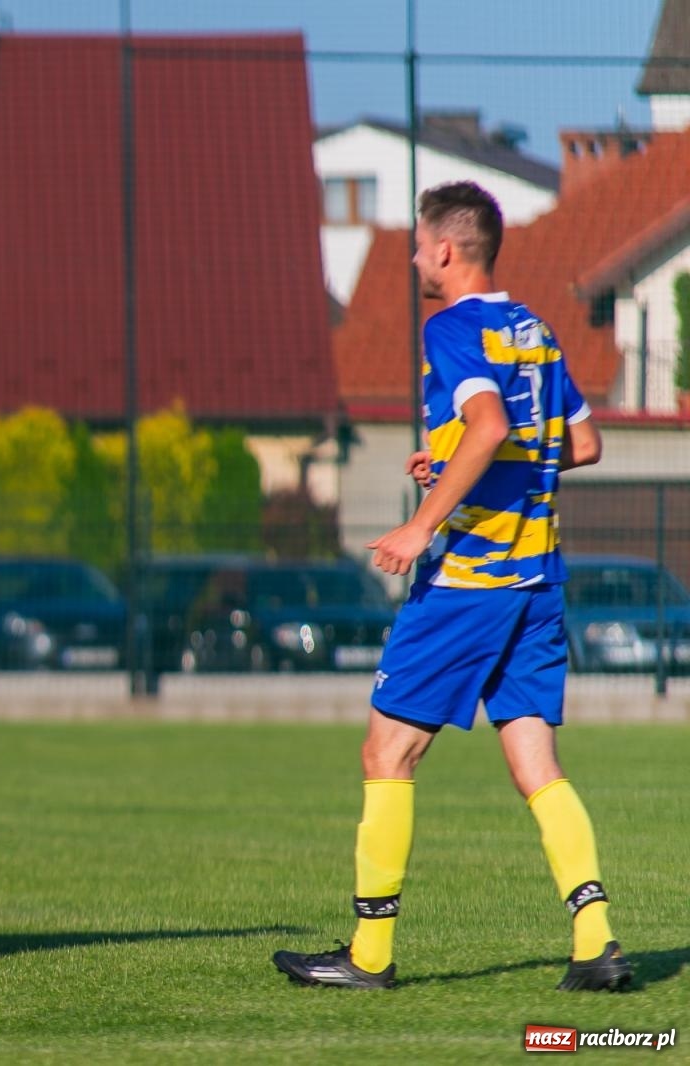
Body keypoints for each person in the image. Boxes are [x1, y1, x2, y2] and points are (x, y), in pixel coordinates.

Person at [271, 182, 627, 992]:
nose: (412, 258)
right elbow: (581, 441)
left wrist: (420, 523)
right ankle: (595, 943)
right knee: (537, 762)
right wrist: (461, 465)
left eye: (419, 244)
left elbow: (493, 424)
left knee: (386, 752)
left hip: (471, 580)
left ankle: (367, 957)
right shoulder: (533, 330)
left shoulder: (452, 327)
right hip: (539, 579)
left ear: (445, 250)